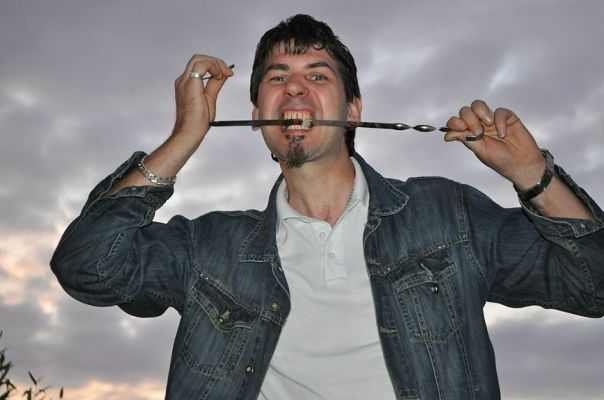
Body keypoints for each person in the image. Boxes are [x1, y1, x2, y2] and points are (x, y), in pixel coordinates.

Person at [50, 14, 604, 400]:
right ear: (257, 116)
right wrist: (184, 137)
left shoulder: (447, 215)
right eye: (278, 79)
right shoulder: (207, 247)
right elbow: (86, 267)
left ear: (353, 109)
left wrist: (533, 175)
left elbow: (594, 285)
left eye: (317, 76)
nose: (295, 90)